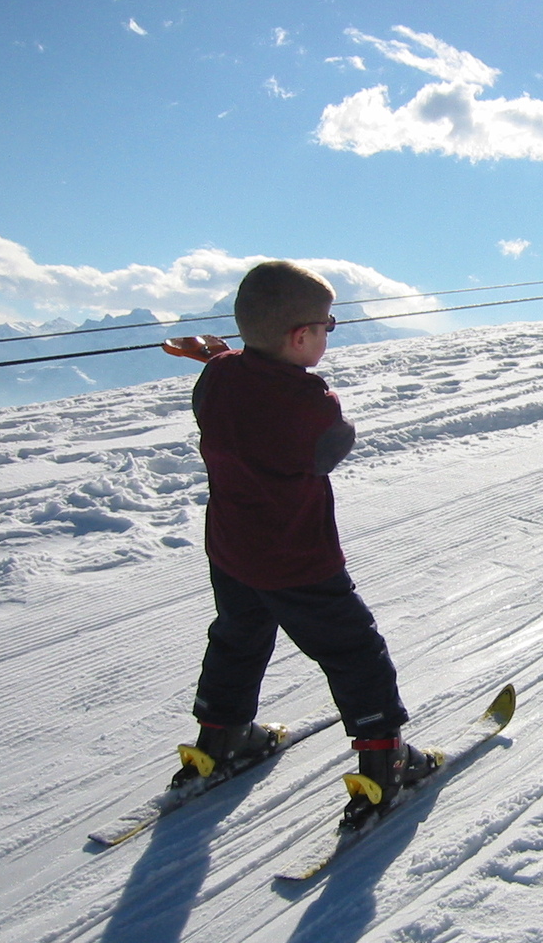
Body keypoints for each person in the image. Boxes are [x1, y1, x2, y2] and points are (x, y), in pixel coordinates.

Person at [173, 260, 432, 825]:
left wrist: (222, 357)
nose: (327, 334)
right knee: (353, 651)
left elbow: (229, 383)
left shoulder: (216, 378)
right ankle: (384, 765)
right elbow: (330, 448)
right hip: (296, 560)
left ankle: (218, 739)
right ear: (300, 337)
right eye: (327, 326)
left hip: (232, 551)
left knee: (237, 637)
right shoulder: (310, 402)